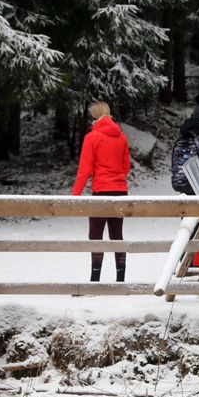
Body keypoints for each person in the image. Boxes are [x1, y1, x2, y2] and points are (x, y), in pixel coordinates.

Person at [72, 101, 131, 282]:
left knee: (96, 235)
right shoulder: (121, 137)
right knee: (117, 235)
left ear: (94, 117)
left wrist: (75, 195)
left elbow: (85, 170)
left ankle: (95, 279)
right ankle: (120, 279)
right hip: (120, 192)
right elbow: (126, 166)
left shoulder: (92, 137)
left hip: (101, 193)